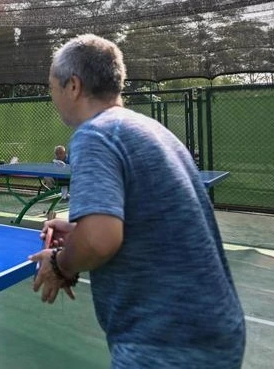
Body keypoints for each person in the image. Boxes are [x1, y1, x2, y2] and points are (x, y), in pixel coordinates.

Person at [28, 35, 245, 368]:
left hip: (165, 341)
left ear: (73, 85)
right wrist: (78, 231)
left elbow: (101, 241)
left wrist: (61, 264)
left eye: (52, 87)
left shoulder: (94, 134)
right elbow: (141, 224)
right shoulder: (152, 130)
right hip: (214, 329)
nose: (52, 97)